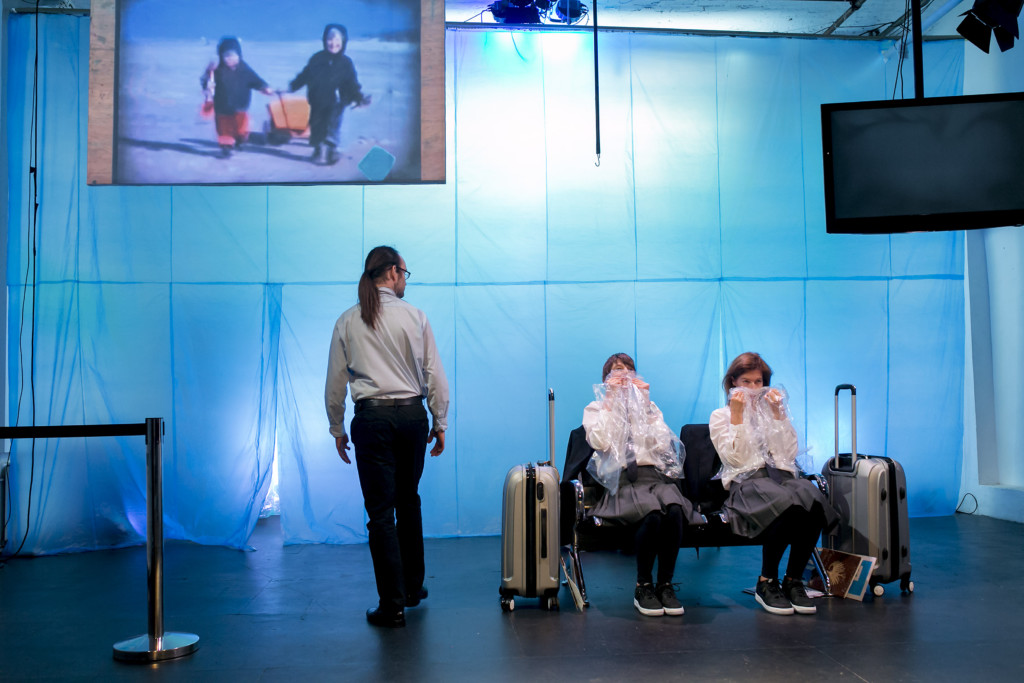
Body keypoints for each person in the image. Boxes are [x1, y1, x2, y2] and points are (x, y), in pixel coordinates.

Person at [325, 246, 449, 628]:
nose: (405, 282)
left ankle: (392, 605)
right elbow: (435, 377)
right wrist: (439, 421)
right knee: (408, 501)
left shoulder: (348, 320)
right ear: (393, 272)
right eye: (406, 274)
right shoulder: (415, 317)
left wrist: (337, 427)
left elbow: (335, 383)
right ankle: (413, 588)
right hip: (412, 417)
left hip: (372, 420)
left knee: (381, 513)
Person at [709, 352, 837, 616]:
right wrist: (737, 415)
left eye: (759, 382)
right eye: (747, 381)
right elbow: (737, 458)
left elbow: (788, 453)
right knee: (787, 504)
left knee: (812, 501)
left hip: (781, 477)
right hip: (747, 482)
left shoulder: (771, 412)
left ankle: (792, 580)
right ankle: (766, 581)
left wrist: (778, 415)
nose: (754, 388)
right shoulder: (720, 416)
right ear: (733, 382)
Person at [580, 353, 704, 617]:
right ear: (605, 380)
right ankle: (643, 586)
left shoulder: (650, 407)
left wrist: (645, 407)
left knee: (673, 509)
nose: (624, 375)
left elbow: (662, 446)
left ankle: (666, 585)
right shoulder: (595, 408)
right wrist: (612, 401)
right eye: (616, 371)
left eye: (628, 370)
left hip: (654, 478)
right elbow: (600, 441)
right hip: (622, 483)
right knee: (652, 515)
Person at [288, 24, 371, 166]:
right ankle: (318, 148)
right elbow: (305, 75)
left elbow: (352, 82)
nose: (333, 43)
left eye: (337, 40)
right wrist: (293, 86)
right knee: (317, 125)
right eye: (329, 39)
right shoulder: (316, 59)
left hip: (337, 101)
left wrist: (358, 96)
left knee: (333, 125)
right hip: (317, 99)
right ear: (324, 40)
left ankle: (333, 150)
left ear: (343, 41)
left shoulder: (346, 63)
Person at [199, 36, 273, 158]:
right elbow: (206, 83)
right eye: (226, 56)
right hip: (222, 107)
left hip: (241, 106)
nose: (230, 59)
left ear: (239, 55)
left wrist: (264, 87)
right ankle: (226, 147)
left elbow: (255, 80)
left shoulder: (245, 70)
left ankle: (240, 140)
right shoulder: (217, 71)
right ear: (221, 57)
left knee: (241, 128)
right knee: (224, 129)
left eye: (233, 56)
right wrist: (208, 75)